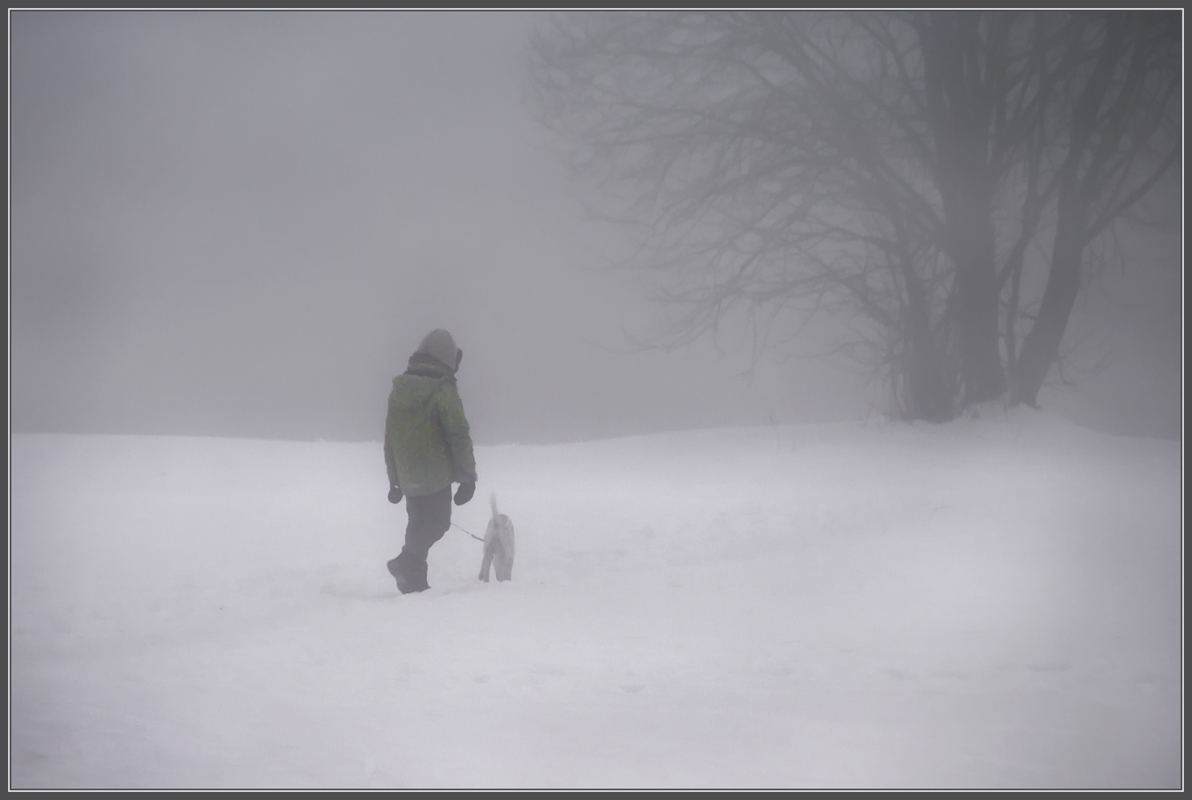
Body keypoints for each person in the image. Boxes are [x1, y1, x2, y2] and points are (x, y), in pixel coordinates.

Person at [383, 328, 477, 593]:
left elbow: (390, 437)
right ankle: (406, 561)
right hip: (435, 474)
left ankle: (413, 581)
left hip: (408, 475)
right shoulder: (442, 389)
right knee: (438, 523)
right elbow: (458, 434)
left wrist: (394, 479)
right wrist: (467, 477)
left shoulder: (399, 389)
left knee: (417, 524)